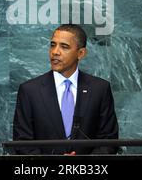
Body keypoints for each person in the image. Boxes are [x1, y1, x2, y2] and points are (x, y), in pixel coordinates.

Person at [12, 24, 119, 155]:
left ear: (81, 53)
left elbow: (108, 141)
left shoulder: (100, 89)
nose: (55, 52)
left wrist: (83, 167)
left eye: (64, 46)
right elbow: (22, 142)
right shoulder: (29, 91)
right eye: (52, 45)